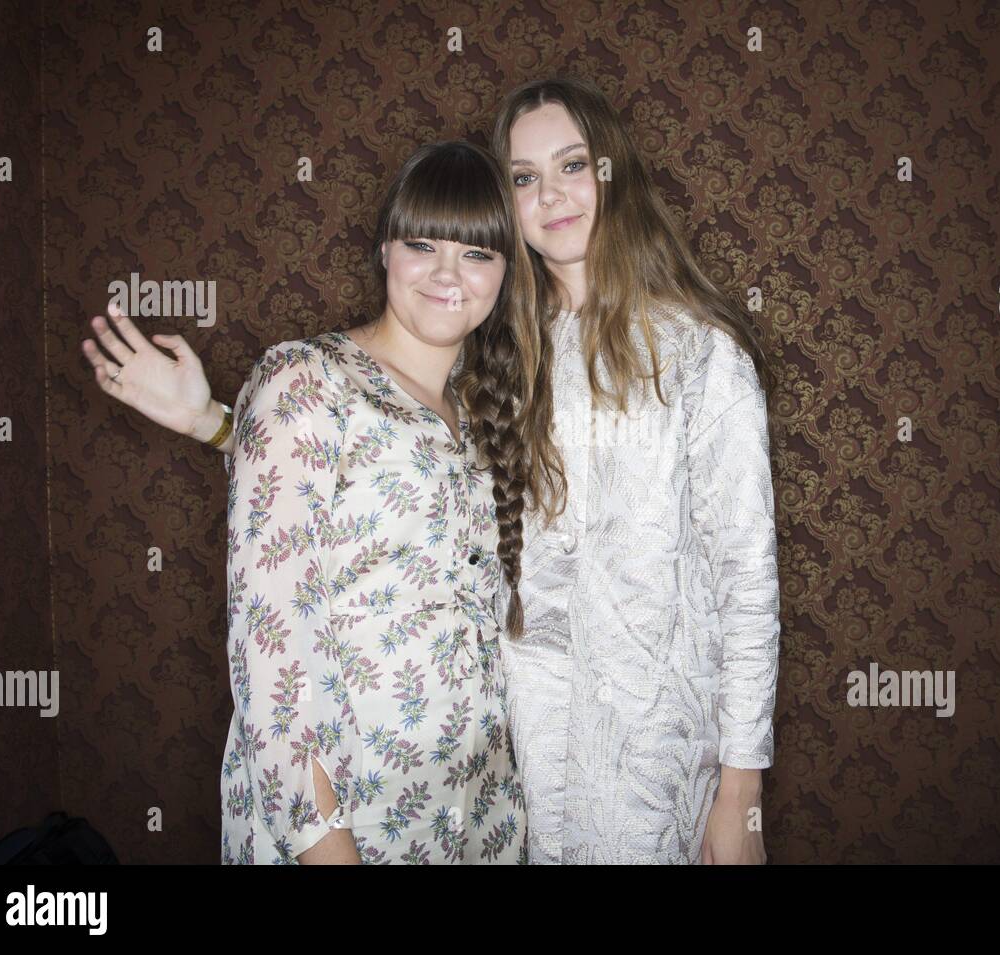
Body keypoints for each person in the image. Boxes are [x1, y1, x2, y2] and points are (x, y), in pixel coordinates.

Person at [84, 76, 780, 865]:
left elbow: (746, 585)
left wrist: (740, 795)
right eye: (523, 177)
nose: (550, 194)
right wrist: (221, 422)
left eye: (573, 165)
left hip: (596, 782)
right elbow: (322, 567)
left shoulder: (658, 363)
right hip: (463, 788)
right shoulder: (472, 364)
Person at [87, 141, 545, 863]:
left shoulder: (487, 405)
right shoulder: (305, 379)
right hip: (347, 823)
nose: (447, 274)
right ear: (385, 251)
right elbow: (275, 648)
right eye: (422, 243)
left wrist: (217, 425)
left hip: (476, 815)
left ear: (504, 274)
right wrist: (325, 847)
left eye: (477, 253)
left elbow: (375, 503)